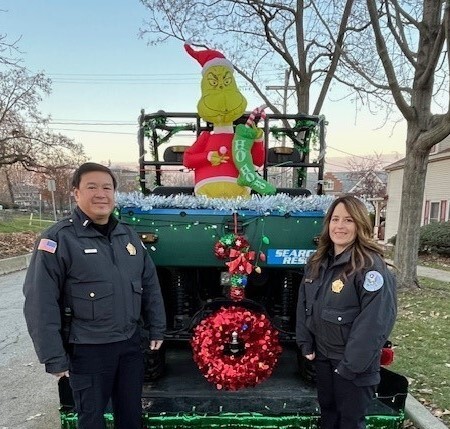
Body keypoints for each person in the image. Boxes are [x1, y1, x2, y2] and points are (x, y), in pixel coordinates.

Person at [23, 162, 166, 429]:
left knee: (131, 416)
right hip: (88, 350)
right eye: (92, 187)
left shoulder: (128, 235)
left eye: (107, 187)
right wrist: (53, 356)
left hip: (129, 345)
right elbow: (40, 302)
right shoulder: (58, 239)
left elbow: (149, 284)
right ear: (76, 193)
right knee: (91, 419)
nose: (101, 194)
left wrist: (157, 328)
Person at [296, 195, 397, 429]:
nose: (339, 226)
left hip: (353, 368)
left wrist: (348, 367)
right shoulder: (318, 262)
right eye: (335, 219)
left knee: (349, 423)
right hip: (323, 359)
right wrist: (305, 343)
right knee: (329, 419)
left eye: (348, 220)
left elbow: (375, 323)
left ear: (360, 225)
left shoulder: (370, 267)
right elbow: (304, 304)